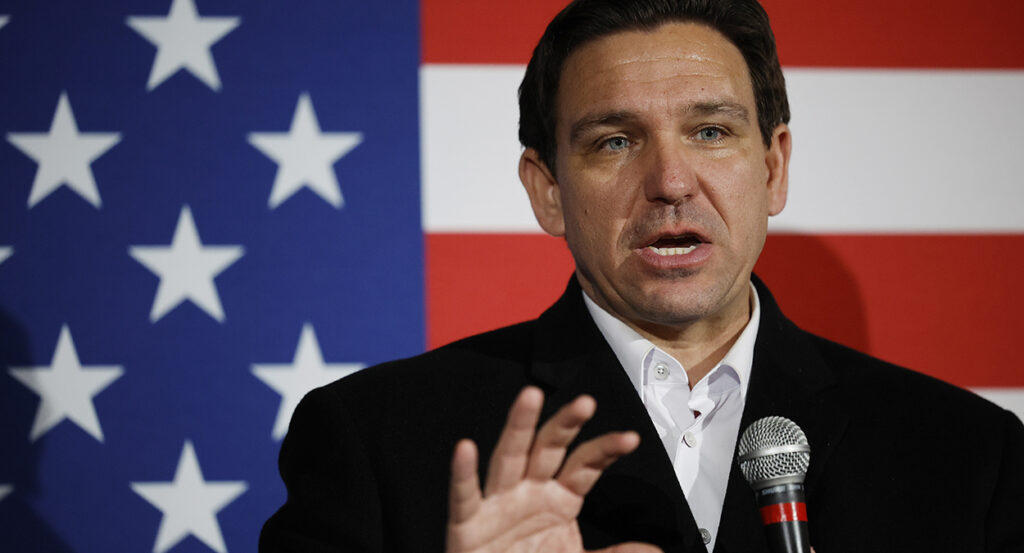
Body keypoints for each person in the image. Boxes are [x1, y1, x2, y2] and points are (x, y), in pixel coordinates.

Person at [260, 1, 1024, 551]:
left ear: (773, 165)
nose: (670, 180)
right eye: (616, 141)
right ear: (547, 190)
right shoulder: (375, 439)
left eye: (711, 131)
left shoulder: (965, 455)